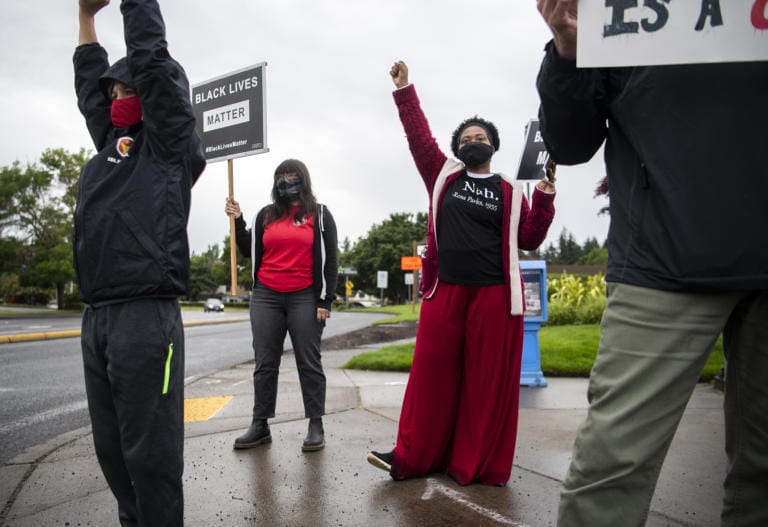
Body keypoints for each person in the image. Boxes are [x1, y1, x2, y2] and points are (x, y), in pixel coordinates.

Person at [535, 2, 768, 526]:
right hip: (663, 255)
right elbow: (569, 143)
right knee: (611, 470)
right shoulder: (617, 13)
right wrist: (569, 51)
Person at [367, 61, 556, 486]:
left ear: (494, 146)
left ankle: (474, 465)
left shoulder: (509, 187)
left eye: (482, 138)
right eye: (467, 138)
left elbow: (529, 236)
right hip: (445, 291)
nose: (475, 142)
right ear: (457, 147)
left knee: (484, 387)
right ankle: (410, 458)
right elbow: (419, 138)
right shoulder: (443, 174)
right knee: (431, 378)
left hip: (493, 298)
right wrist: (405, 90)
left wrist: (543, 196)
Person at [73, 0, 205, 525]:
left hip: (146, 319)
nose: (118, 98)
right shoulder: (113, 145)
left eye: (129, 91)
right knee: (114, 455)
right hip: (98, 316)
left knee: (150, 460)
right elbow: (89, 87)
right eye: (114, 93)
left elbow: (150, 57)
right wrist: (86, 19)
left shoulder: (171, 146)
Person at [224, 159, 338, 452]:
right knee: (264, 363)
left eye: (293, 176)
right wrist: (237, 220)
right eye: (281, 177)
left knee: (309, 363)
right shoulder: (266, 215)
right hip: (266, 296)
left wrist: (326, 299)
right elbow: (248, 246)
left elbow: (331, 261)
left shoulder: (321, 214)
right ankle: (260, 423)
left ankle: (315, 423)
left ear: (304, 179)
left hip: (305, 297)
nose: (287, 181)